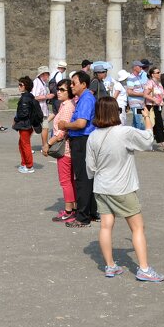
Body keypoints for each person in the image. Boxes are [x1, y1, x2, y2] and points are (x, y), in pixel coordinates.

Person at [86, 97, 164, 282]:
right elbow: (147, 140)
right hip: (122, 187)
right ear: (116, 112)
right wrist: (147, 118)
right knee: (137, 228)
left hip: (102, 186)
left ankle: (110, 265)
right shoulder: (124, 132)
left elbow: (90, 166)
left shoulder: (93, 136)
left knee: (106, 226)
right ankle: (144, 268)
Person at [57, 70, 97, 227]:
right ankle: (91, 212)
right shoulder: (82, 98)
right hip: (80, 139)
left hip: (82, 140)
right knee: (87, 178)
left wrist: (65, 125)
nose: (71, 86)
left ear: (84, 84)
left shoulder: (86, 99)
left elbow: (81, 123)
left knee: (82, 179)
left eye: (74, 83)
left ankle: (82, 216)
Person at [44, 80, 76, 222]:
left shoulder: (68, 106)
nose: (59, 92)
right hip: (67, 148)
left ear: (69, 92)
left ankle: (69, 210)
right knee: (69, 180)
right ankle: (73, 207)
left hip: (65, 149)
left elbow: (62, 131)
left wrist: (48, 144)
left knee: (65, 181)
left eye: (62, 90)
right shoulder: (64, 105)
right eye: (58, 89)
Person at [11, 76, 44, 174]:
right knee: (22, 144)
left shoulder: (25, 98)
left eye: (21, 85)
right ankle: (24, 163)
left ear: (26, 86)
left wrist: (15, 119)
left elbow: (23, 113)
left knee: (25, 145)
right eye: (19, 84)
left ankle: (29, 166)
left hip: (25, 125)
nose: (19, 86)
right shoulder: (29, 96)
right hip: (28, 125)